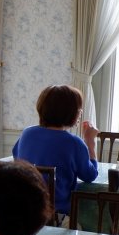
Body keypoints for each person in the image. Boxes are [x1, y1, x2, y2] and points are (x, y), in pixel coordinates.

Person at [12, 84, 98, 224]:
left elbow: (17, 158)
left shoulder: (27, 133)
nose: (80, 112)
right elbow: (90, 175)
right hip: (57, 219)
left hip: (23, 214)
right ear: (71, 112)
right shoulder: (74, 143)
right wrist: (90, 142)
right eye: (78, 109)